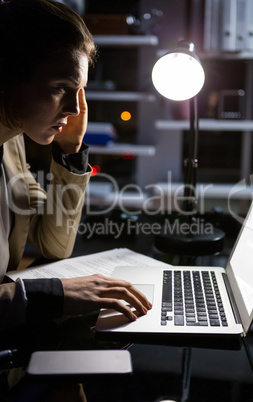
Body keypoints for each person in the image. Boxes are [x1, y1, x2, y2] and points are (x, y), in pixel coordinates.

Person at [0, 0, 151, 341]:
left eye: (80, 91)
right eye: (61, 88)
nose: (75, 108)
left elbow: (54, 245)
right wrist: (57, 295)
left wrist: (69, 153)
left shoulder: (11, 143)